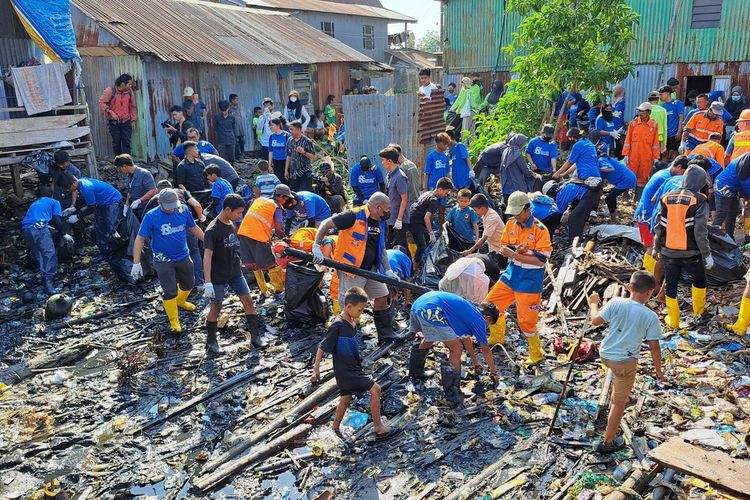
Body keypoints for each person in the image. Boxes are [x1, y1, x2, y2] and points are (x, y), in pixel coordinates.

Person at [312, 192, 406, 344]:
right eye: (387, 208)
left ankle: (385, 334)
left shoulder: (380, 222)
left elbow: (381, 249)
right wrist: (316, 246)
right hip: (352, 271)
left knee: (382, 296)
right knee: (351, 306)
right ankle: (347, 340)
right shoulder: (353, 216)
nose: (389, 212)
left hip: (371, 270)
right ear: (378, 207)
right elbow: (326, 224)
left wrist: (388, 270)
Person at [587, 271, 663, 453]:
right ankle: (608, 441)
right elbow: (654, 347)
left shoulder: (615, 302)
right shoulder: (650, 316)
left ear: (629, 287)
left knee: (620, 383)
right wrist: (659, 372)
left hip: (605, 355)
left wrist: (593, 304)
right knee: (617, 404)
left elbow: (595, 321)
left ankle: (624, 394)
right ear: (650, 293)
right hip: (624, 362)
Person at [312, 287, 398, 440]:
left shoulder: (351, 322)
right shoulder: (337, 326)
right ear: (349, 307)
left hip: (352, 367)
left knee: (346, 397)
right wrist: (316, 369)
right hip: (345, 370)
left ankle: (335, 426)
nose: (361, 313)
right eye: (360, 310)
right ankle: (378, 427)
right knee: (375, 389)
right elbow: (322, 347)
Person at [485, 191, 552, 366]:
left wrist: (516, 254)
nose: (515, 215)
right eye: (513, 212)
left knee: (526, 320)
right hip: (511, 274)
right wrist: (512, 251)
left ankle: (536, 353)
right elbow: (504, 245)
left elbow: (540, 261)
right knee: (491, 304)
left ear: (527, 209)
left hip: (530, 280)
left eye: (518, 212)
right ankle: (497, 336)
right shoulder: (511, 224)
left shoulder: (540, 230)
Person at [131, 188, 204, 333]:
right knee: (169, 291)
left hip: (183, 255)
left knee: (189, 283)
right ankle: (174, 321)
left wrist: (208, 242)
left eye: (174, 207)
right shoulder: (151, 216)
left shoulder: (183, 210)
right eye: (168, 207)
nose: (172, 210)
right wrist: (136, 262)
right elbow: (140, 238)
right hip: (163, 260)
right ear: (159, 203)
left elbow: (193, 227)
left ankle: (181, 301)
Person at [408, 291, 499, 405]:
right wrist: (494, 373)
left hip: (419, 305)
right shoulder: (479, 320)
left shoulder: (471, 309)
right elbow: (486, 350)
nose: (487, 326)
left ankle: (416, 372)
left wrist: (476, 363)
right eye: (489, 323)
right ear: (487, 317)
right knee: (456, 348)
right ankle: (452, 391)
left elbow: (466, 339)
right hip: (431, 310)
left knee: (429, 338)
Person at [203, 194, 265, 353]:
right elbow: (207, 256)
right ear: (227, 209)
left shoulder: (231, 223)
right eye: (238, 213)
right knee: (216, 306)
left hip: (235, 271)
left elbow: (234, 246)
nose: (240, 216)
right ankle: (211, 342)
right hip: (217, 274)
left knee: (248, 300)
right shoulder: (212, 230)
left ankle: (256, 337)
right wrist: (207, 282)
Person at [654, 166, 713, 329]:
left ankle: (673, 321)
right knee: (700, 280)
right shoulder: (699, 200)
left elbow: (660, 226)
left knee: (671, 285)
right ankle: (698, 313)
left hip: (669, 251)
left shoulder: (667, 197)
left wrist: (656, 247)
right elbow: (700, 231)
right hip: (691, 253)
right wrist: (707, 254)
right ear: (700, 182)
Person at [144, 180, 207, 285]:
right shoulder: (181, 192)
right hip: (182, 225)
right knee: (194, 251)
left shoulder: (155, 199)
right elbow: (196, 204)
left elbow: (144, 220)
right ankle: (199, 282)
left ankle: (180, 283)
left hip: (178, 227)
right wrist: (201, 216)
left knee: (180, 255)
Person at [237, 184, 291, 294]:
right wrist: (286, 240)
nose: (286, 201)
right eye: (286, 198)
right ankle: (279, 290)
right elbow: (278, 230)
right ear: (281, 196)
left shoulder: (259, 200)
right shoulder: (277, 207)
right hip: (258, 236)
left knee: (254, 265)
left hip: (243, 233)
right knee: (272, 264)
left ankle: (264, 290)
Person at [552, 127, 603, 242]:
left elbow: (569, 162)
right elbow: (576, 163)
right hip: (595, 180)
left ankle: (572, 241)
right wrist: (563, 173)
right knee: (578, 214)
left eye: (569, 138)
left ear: (572, 137)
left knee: (574, 217)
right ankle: (578, 238)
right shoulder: (589, 144)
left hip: (586, 181)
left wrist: (557, 173)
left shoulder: (578, 145)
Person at [61, 175, 122, 263]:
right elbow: (87, 201)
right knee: (100, 228)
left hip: (112, 201)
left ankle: (117, 253)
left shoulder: (86, 187)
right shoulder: (80, 184)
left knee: (111, 228)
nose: (67, 190)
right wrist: (74, 208)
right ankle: (103, 253)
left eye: (68, 188)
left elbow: (91, 207)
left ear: (74, 182)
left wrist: (77, 216)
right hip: (100, 204)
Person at [22, 187, 69, 295]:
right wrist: (64, 233)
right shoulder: (54, 202)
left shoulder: (35, 204)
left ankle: (46, 279)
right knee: (49, 255)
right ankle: (49, 285)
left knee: (39, 255)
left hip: (26, 229)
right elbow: (57, 220)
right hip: (40, 228)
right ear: (51, 195)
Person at [409, 178, 455, 264]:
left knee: (426, 241)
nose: (446, 195)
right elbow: (427, 217)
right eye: (446, 192)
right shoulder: (434, 201)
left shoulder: (427, 193)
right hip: (416, 222)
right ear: (440, 189)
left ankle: (422, 262)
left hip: (412, 218)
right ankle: (415, 267)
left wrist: (429, 231)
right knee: (422, 246)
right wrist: (431, 233)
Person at [622, 102, 661, 195]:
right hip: (633, 155)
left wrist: (656, 157)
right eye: (640, 111)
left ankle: (638, 197)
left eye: (643, 111)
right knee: (629, 175)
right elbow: (628, 139)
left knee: (643, 177)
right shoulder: (633, 123)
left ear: (649, 112)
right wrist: (626, 154)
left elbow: (655, 142)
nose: (641, 113)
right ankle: (625, 196)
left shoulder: (654, 125)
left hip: (646, 157)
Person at [98, 73, 137, 155]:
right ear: (123, 84)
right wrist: (110, 112)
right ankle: (119, 164)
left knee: (127, 143)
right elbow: (101, 103)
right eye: (129, 84)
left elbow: (132, 106)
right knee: (116, 144)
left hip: (126, 122)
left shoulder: (129, 92)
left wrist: (133, 120)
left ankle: (127, 163)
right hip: (114, 123)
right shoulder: (110, 91)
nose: (130, 86)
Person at [380, 146, 410, 248]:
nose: (382, 162)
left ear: (389, 161)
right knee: (388, 244)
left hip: (398, 218)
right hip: (390, 217)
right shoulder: (389, 175)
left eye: (383, 160)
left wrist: (399, 219)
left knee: (401, 245)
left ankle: (408, 264)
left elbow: (404, 198)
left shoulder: (400, 177)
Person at [463, 194, 506, 266]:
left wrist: (469, 251)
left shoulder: (492, 218)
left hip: (500, 252)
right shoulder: (486, 214)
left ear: (482, 209)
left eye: (475, 210)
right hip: (492, 247)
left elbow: (483, 239)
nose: (475, 213)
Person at [714, 153, 750, 239]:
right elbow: (745, 182)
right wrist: (748, 196)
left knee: (732, 213)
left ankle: (729, 238)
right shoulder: (746, 161)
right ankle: (713, 238)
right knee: (722, 213)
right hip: (723, 186)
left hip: (734, 189)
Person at [498, 133, 537, 204]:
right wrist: (532, 173)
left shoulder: (506, 150)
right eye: (524, 143)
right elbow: (524, 169)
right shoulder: (517, 154)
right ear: (519, 142)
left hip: (506, 184)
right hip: (515, 185)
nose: (524, 145)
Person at [115, 154, 156, 220]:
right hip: (135, 210)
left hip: (146, 209)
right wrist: (126, 205)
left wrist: (139, 201)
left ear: (124, 166)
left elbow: (153, 191)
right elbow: (130, 191)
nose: (120, 171)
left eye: (119, 168)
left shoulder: (144, 174)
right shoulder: (129, 176)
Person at [285, 121, 316, 192]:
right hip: (293, 173)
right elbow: (288, 155)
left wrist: (304, 152)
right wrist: (286, 170)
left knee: (305, 194)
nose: (290, 131)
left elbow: (313, 156)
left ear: (298, 129)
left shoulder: (307, 141)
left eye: (292, 129)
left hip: (304, 172)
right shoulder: (290, 140)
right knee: (294, 194)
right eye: (290, 129)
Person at [658, 85, 685, 160]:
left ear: (667, 93)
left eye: (661, 94)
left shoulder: (677, 103)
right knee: (664, 154)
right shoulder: (663, 106)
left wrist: (679, 131)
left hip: (674, 134)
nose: (660, 96)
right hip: (666, 135)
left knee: (673, 154)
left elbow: (681, 117)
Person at [214, 100, 240, 165]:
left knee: (232, 158)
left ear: (228, 108)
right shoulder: (217, 117)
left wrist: (235, 139)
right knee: (222, 159)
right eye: (222, 111)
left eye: (225, 110)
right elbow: (216, 128)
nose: (224, 112)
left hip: (231, 140)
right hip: (221, 141)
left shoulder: (232, 118)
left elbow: (234, 129)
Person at [267, 118, 291, 183]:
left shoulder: (287, 135)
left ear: (278, 125)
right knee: (278, 181)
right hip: (276, 162)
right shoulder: (272, 136)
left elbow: (289, 153)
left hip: (286, 161)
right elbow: (270, 151)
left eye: (272, 125)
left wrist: (286, 168)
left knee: (287, 180)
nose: (270, 127)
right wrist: (269, 165)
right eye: (269, 125)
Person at [611, 85, 627, 157]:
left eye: (614, 90)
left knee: (618, 147)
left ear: (619, 91)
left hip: (617, 129)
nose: (613, 91)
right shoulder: (616, 102)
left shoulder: (621, 102)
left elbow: (615, 114)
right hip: (613, 127)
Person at [228, 94, 245, 159]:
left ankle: (242, 155)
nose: (238, 101)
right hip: (234, 130)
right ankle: (238, 156)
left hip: (240, 129)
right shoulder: (229, 110)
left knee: (242, 142)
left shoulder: (239, 108)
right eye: (236, 99)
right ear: (232, 100)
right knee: (236, 143)